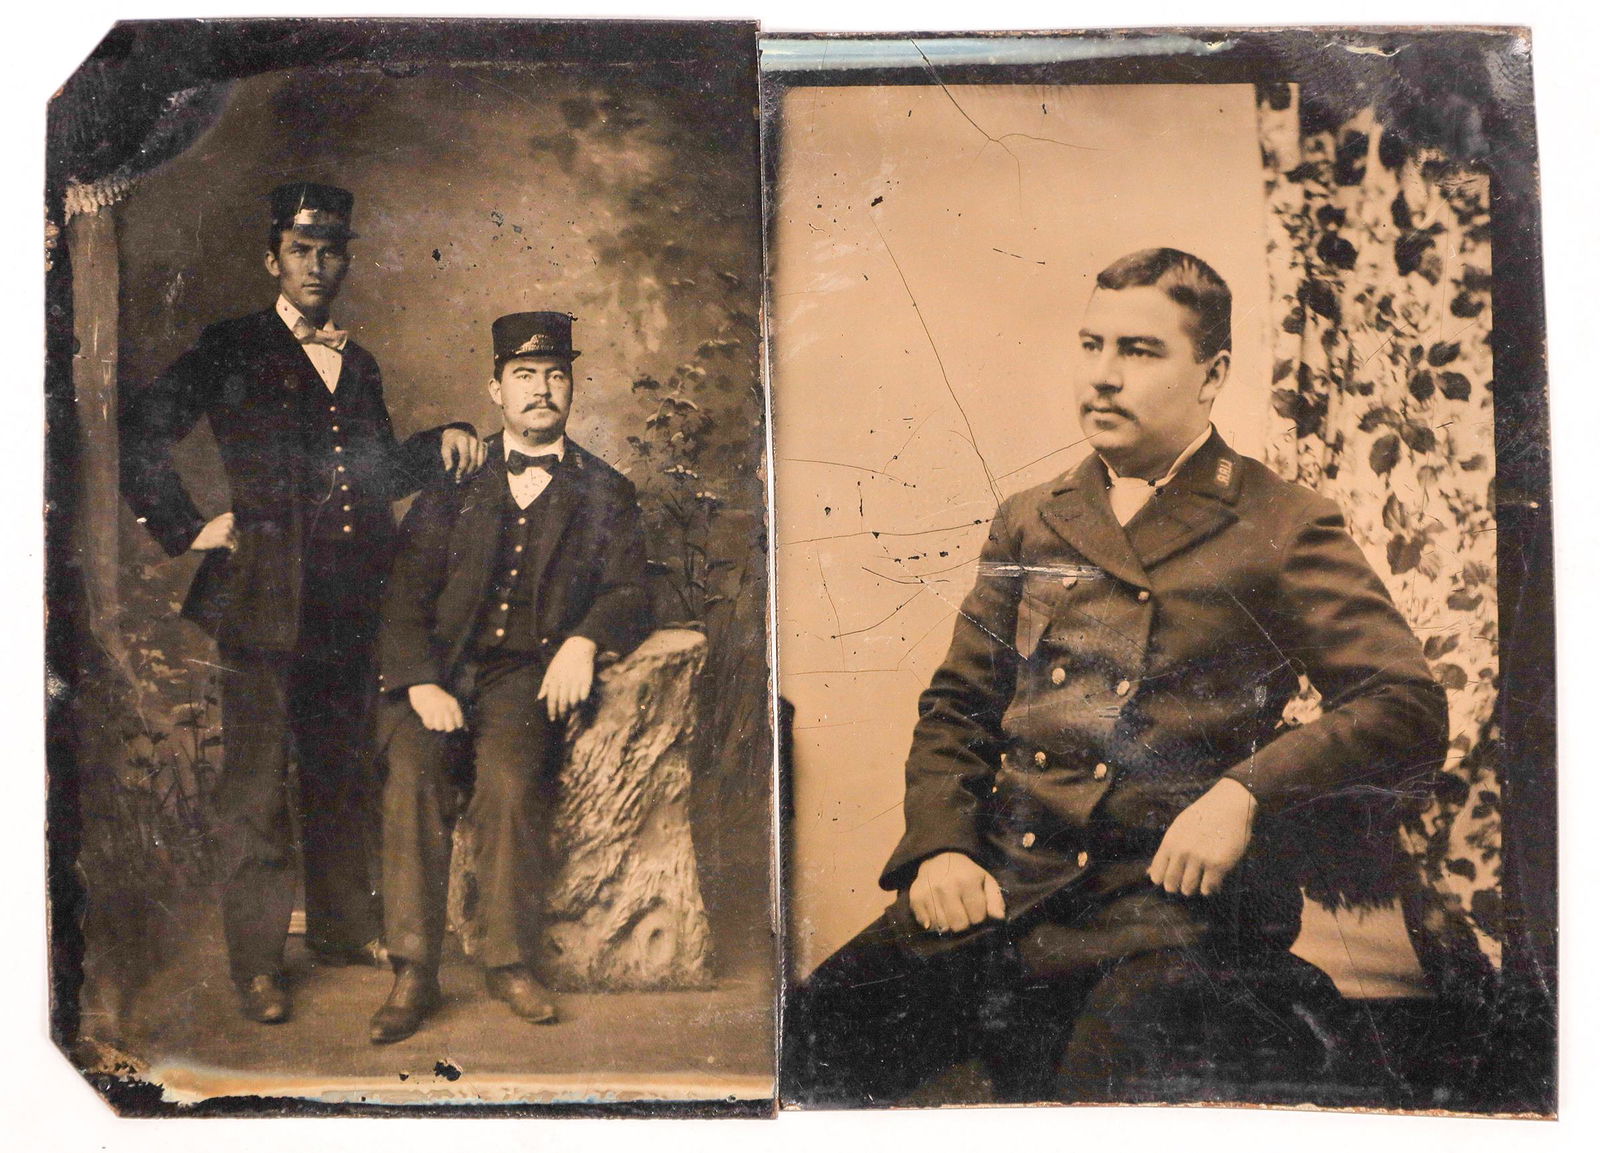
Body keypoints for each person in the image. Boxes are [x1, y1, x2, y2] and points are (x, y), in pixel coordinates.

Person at [784, 248, 1450, 1105]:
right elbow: (958, 705)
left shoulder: (1283, 522)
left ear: (1211, 377)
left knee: (1102, 1087)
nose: (1102, 377)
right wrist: (943, 844)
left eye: (1138, 351)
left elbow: (1405, 703)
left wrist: (1242, 794)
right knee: (814, 1044)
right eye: (1091, 344)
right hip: (1007, 885)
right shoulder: (1034, 517)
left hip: (1167, 913)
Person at [120, 182, 486, 1026]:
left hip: (348, 603)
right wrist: (187, 525)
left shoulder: (358, 364)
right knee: (256, 786)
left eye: (332, 251)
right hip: (259, 602)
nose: (317, 266)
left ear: (345, 259)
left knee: (339, 774)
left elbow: (378, 477)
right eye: (301, 249)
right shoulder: (232, 345)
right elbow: (140, 429)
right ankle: (256, 962)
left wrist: (443, 440)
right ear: (271, 259)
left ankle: (338, 931)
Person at [367, 311, 652, 1044]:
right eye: (525, 376)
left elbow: (630, 591)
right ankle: (413, 969)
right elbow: (401, 594)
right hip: (438, 669)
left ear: (572, 388)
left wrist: (585, 640)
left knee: (512, 780)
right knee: (414, 774)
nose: (542, 390)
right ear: (495, 389)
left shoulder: (604, 492)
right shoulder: (456, 481)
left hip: (524, 677)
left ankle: (508, 959)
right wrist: (421, 683)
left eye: (556, 375)